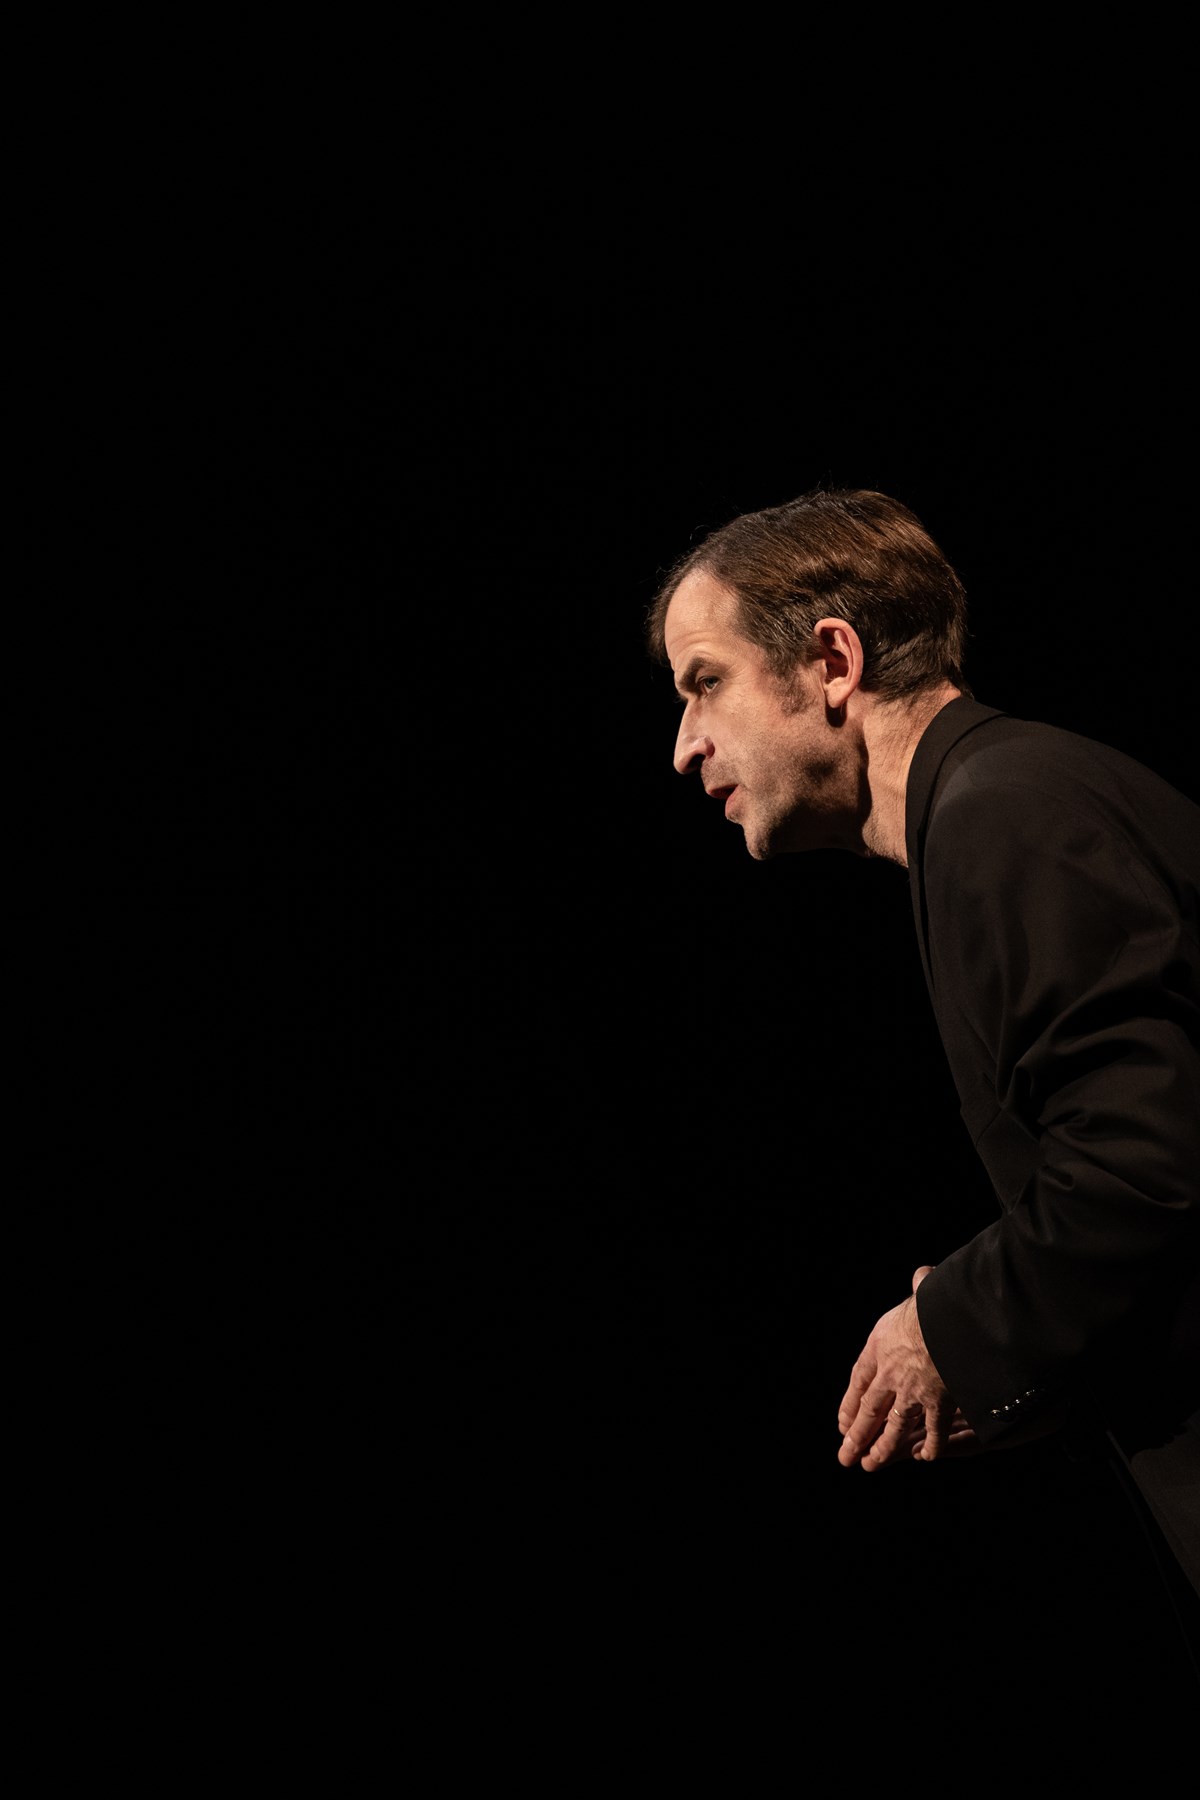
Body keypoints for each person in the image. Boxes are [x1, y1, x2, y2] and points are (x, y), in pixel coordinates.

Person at [643, 485, 1200, 1647]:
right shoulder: (994, 804)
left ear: (831, 662)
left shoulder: (1005, 812)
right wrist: (1040, 1341)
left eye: (705, 681)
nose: (684, 744)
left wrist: (950, 1325)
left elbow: (1146, 1165)